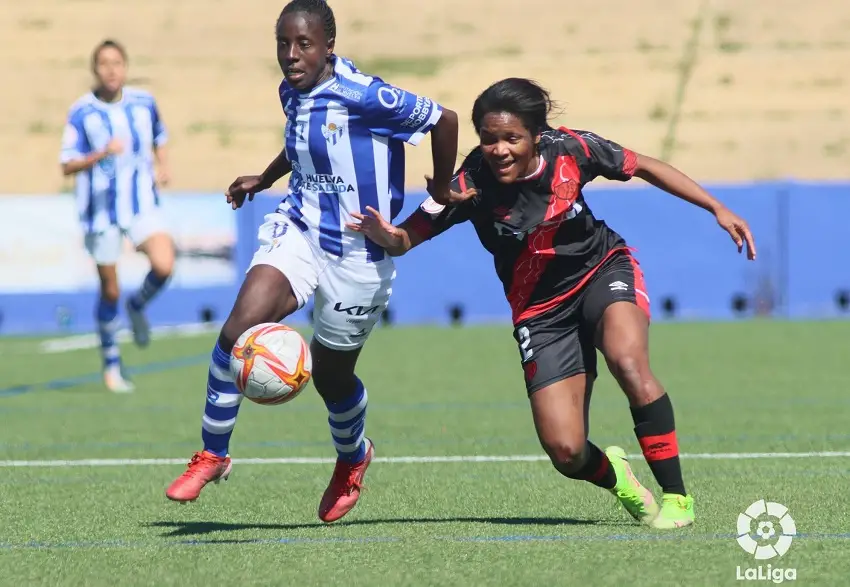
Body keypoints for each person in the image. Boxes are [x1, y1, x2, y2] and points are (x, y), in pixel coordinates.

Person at [347, 78, 757, 529]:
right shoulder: (469, 182)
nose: (498, 149)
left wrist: (717, 208)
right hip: (540, 312)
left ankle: (677, 498)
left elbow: (645, 166)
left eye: (511, 138)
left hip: (601, 271)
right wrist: (390, 237)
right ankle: (619, 477)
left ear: (535, 137)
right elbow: (408, 237)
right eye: (488, 139)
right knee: (566, 452)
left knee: (628, 361)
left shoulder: (571, 150)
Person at [164, 0, 462, 524]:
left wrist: (437, 188)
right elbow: (302, 140)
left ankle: (353, 456)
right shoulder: (291, 91)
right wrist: (266, 176)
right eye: (283, 43)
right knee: (238, 328)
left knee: (331, 377)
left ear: (329, 46)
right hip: (300, 229)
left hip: (360, 251)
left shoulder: (366, 95)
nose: (291, 55)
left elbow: (444, 119)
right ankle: (213, 453)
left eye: (303, 44)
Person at [60, 39, 175, 393]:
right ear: (95, 70)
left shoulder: (144, 102)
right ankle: (111, 363)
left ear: (125, 67)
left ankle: (137, 305)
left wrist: (163, 166)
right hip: (101, 214)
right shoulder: (82, 112)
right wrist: (100, 154)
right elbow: (67, 164)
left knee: (164, 264)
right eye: (104, 63)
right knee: (109, 289)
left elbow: (160, 136)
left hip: (141, 204)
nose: (111, 69)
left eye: (117, 63)